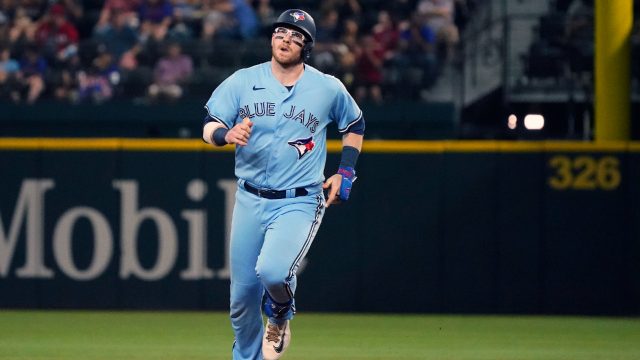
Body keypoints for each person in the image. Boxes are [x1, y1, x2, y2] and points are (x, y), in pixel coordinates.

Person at [202, 8, 364, 360]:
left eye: (296, 35)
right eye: (280, 32)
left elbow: (354, 124)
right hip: (249, 198)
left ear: (306, 46)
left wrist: (345, 171)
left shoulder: (326, 87)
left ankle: (279, 314)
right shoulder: (243, 81)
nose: (286, 39)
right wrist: (225, 134)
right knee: (241, 303)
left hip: (300, 199)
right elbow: (208, 124)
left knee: (273, 271)